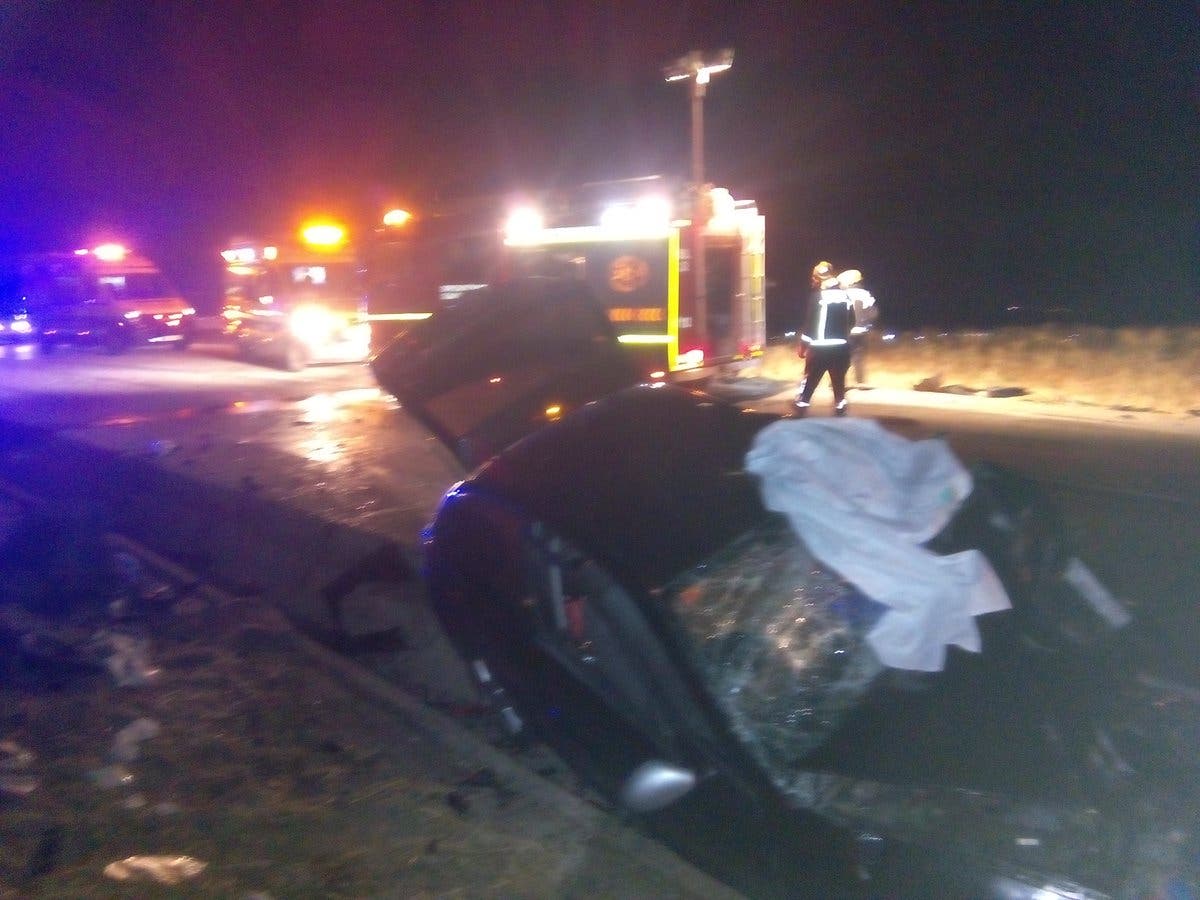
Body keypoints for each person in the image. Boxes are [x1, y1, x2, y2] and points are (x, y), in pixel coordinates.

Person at [794, 263, 856, 417]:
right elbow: (852, 320)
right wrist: (842, 335)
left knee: (811, 380)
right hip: (841, 349)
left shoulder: (818, 297)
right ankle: (840, 408)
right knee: (839, 381)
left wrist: (803, 346)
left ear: (818, 279)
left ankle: (801, 407)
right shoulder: (845, 296)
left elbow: (811, 323)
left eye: (814, 278)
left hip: (820, 349)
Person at [839, 268, 878, 387]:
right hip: (861, 331)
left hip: (844, 331)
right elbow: (873, 313)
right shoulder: (865, 294)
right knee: (859, 357)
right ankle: (860, 382)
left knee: (842, 357)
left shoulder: (842, 294)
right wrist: (867, 323)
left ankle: (838, 382)